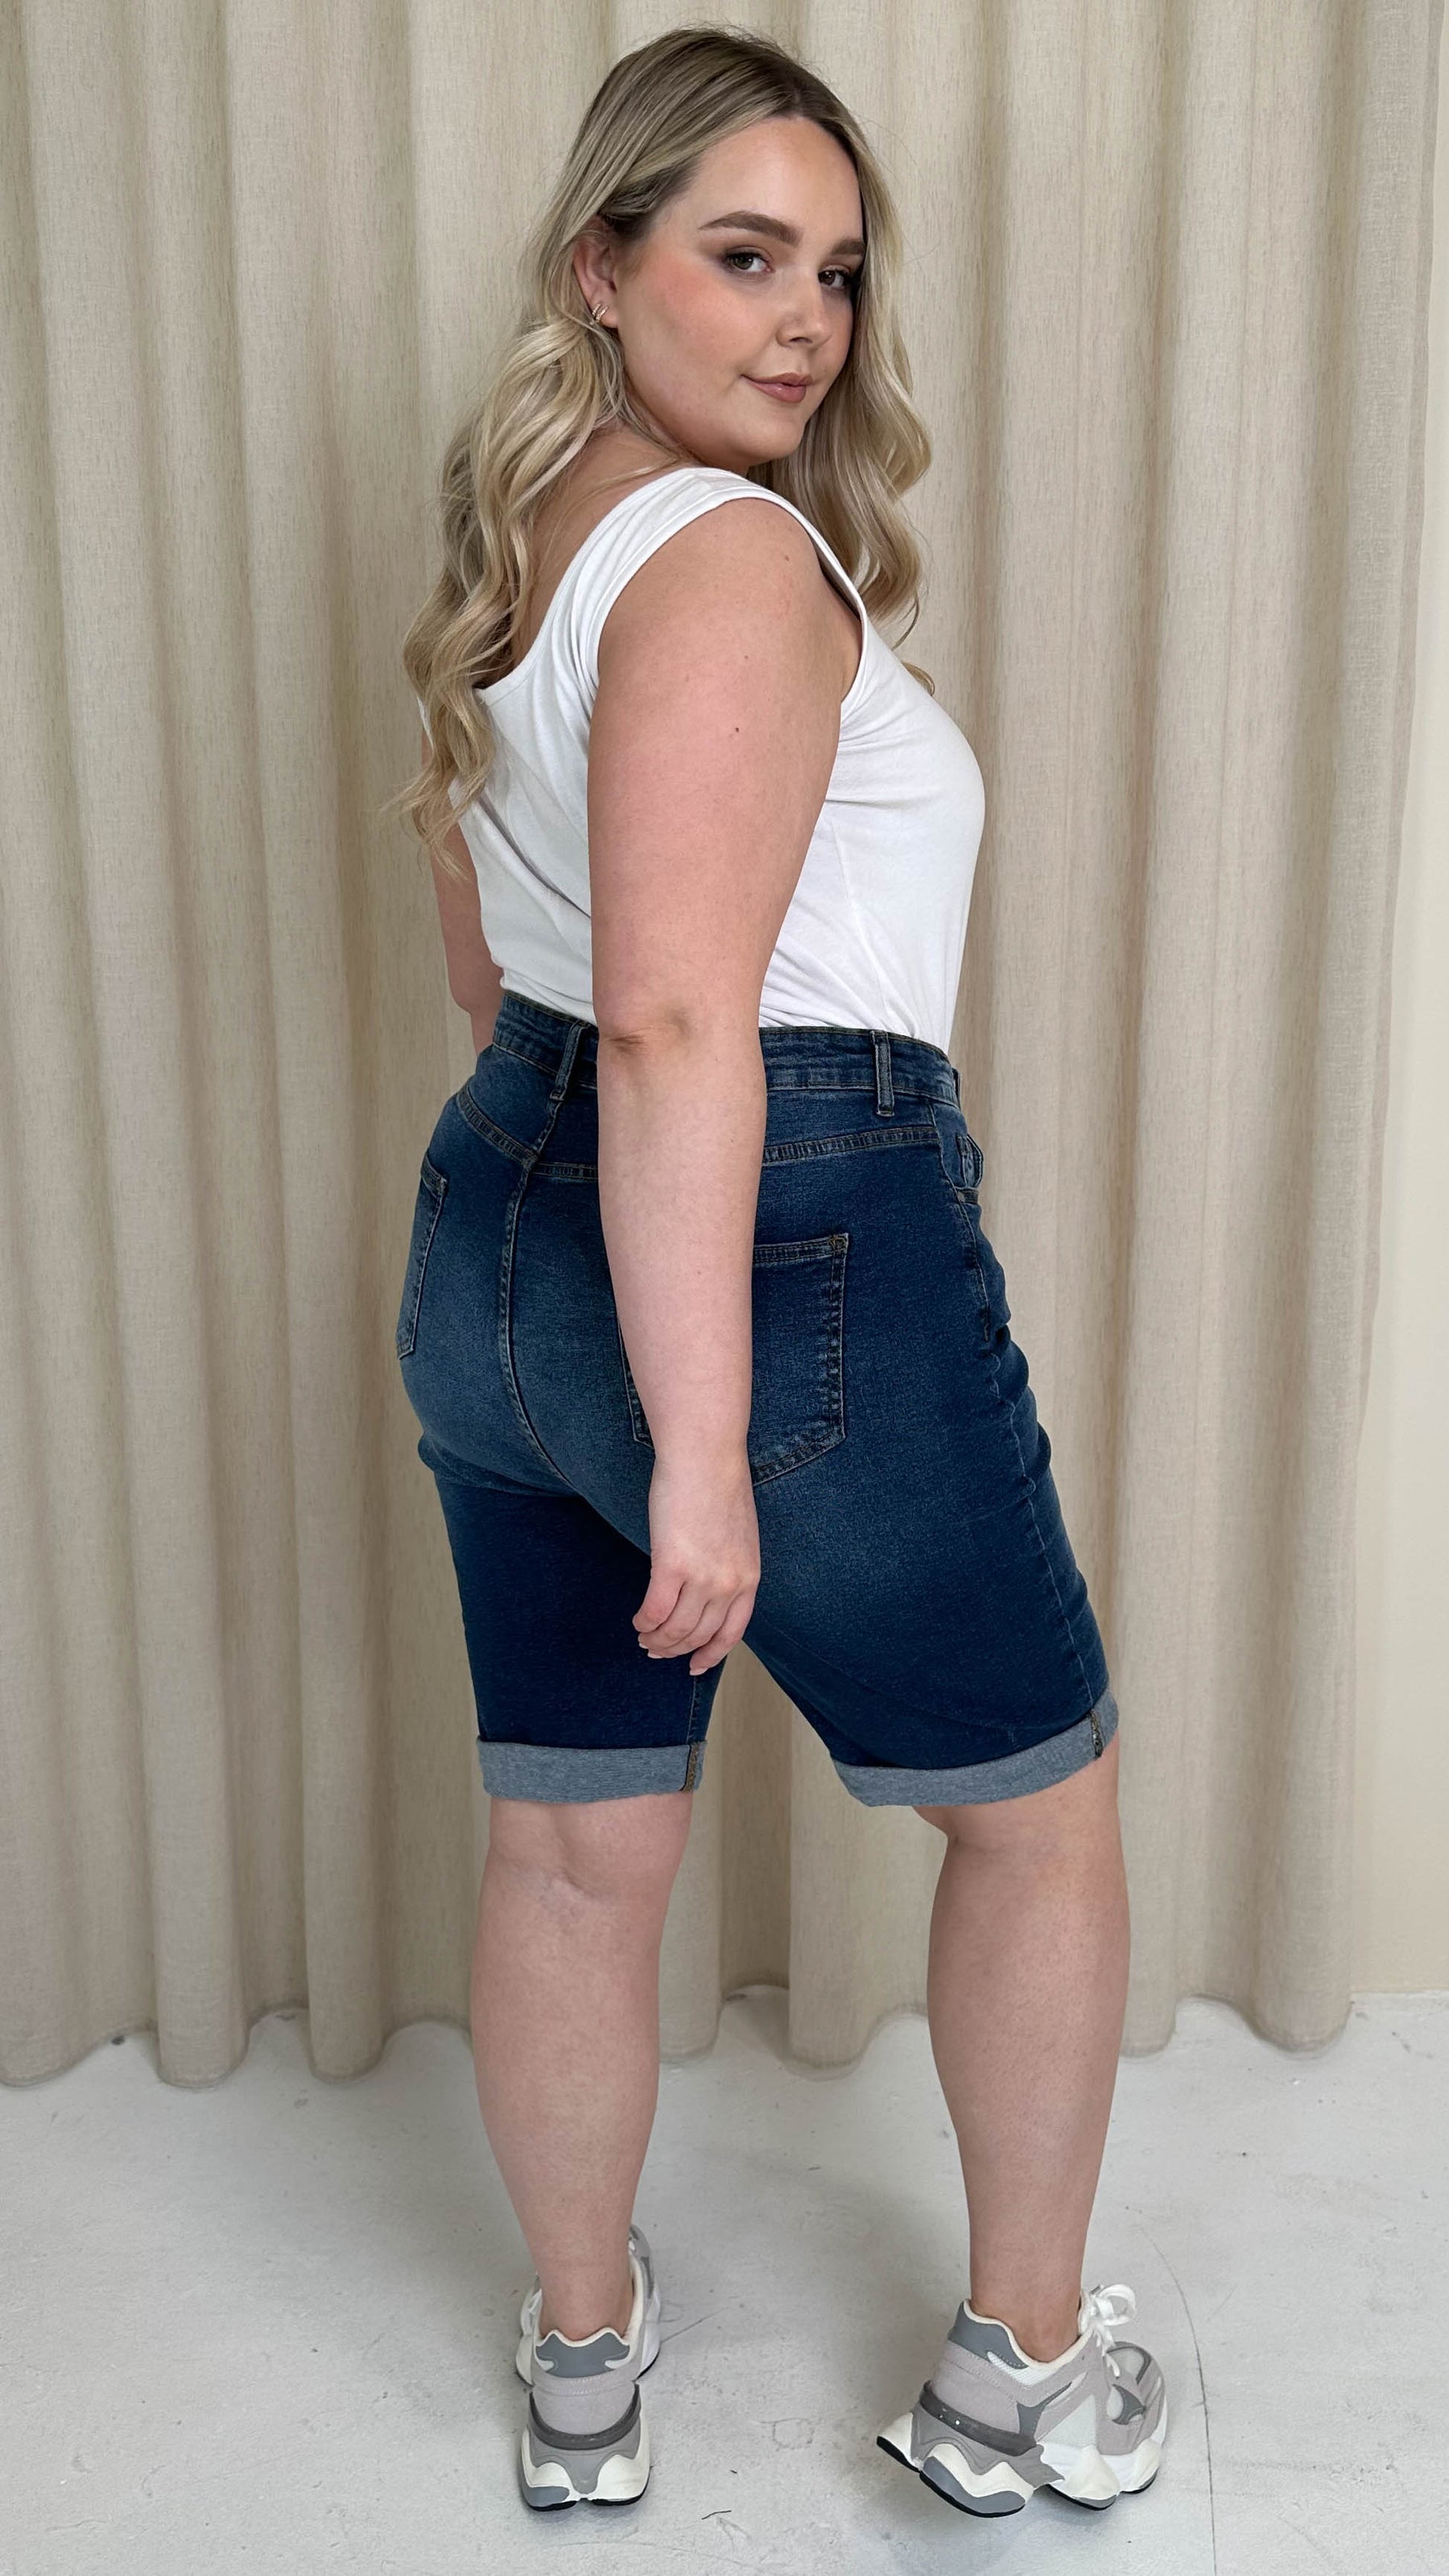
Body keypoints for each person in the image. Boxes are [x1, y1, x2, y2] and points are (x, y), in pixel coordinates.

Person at [390, 22, 1167, 2522]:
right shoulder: (729, 558)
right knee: (1039, 1814)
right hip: (778, 1223)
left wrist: (600, 1307)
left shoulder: (528, 544)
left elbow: (500, 975)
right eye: (744, 257)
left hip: (503, 1219)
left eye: (834, 271)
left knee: (570, 1838)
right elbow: (673, 1016)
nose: (809, 319)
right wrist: (703, 1434)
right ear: (601, 267)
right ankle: (1023, 2374)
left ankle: (584, 2364)